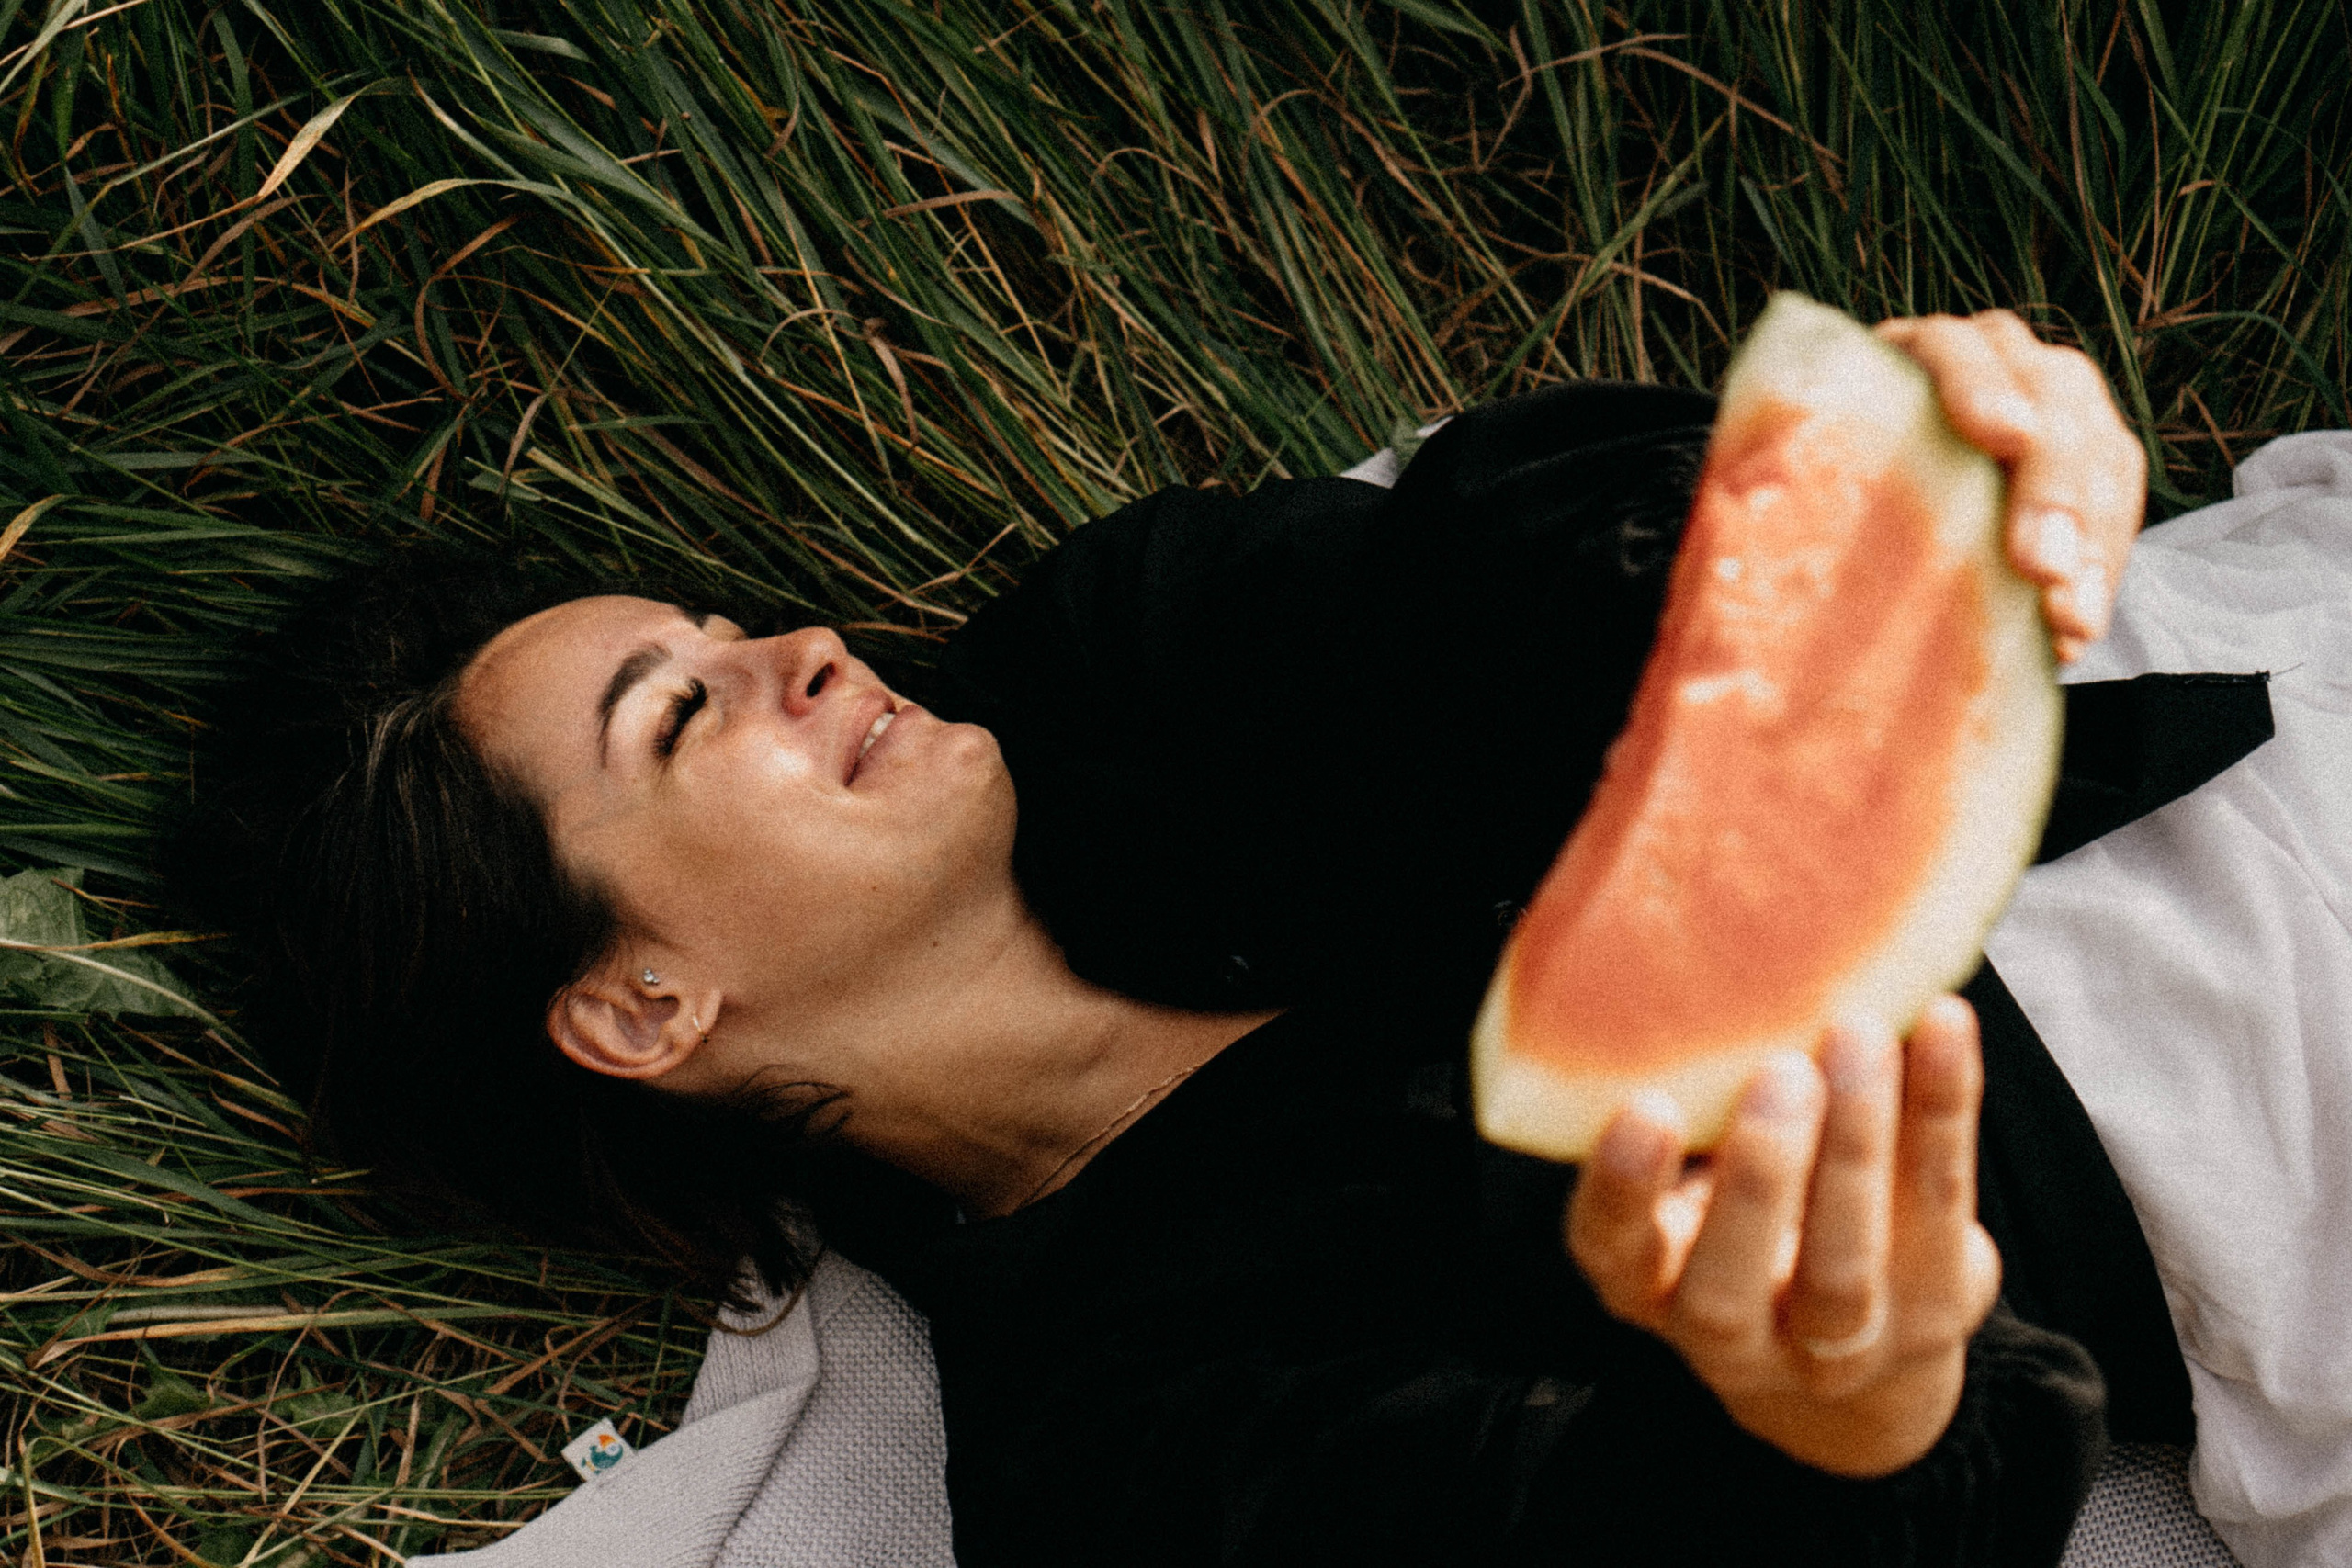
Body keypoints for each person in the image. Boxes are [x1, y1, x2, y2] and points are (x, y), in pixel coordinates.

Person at [181, 310, 2146, 1564]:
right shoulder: (1115, 1446)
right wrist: (1855, 1417)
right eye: (683, 713)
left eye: (726, 627)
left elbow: (1503, 565)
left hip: (2188, 691)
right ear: (638, 1005)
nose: (805, 648)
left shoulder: (1120, 657)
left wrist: (1845, 463)